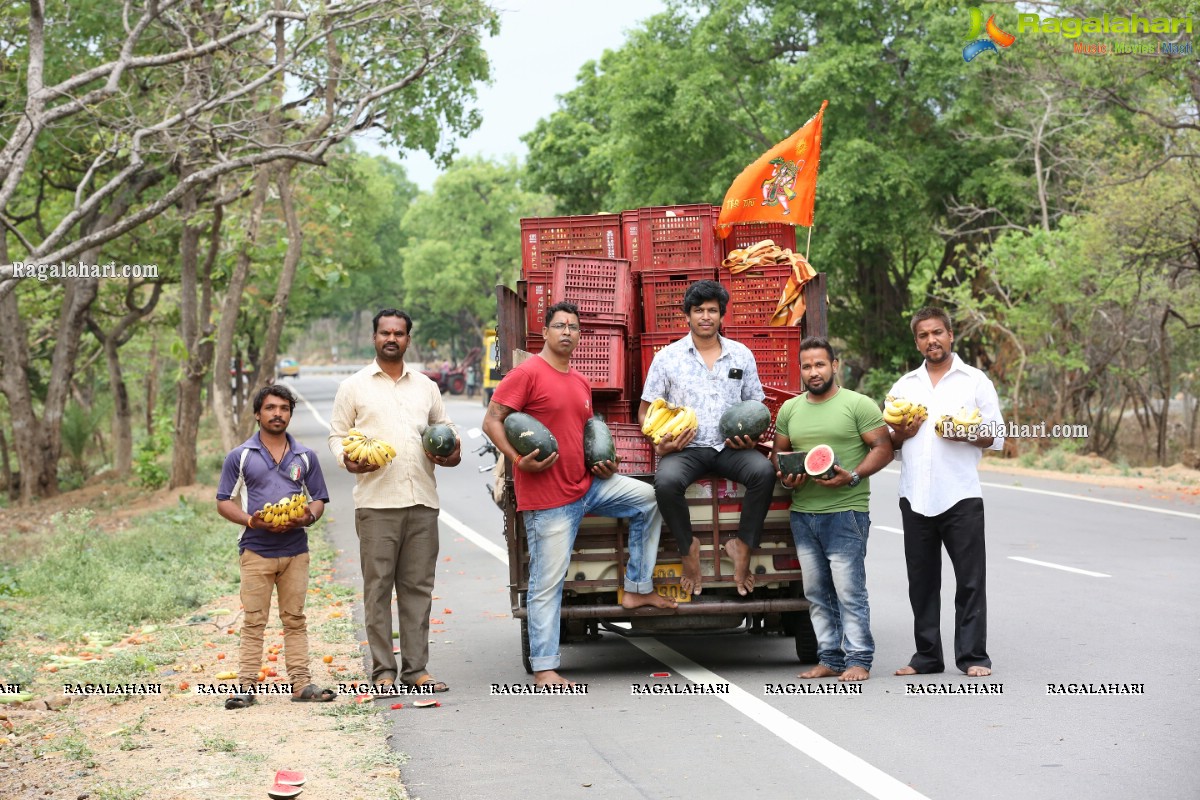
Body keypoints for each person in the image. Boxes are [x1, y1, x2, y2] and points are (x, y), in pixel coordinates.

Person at [483, 301, 677, 686]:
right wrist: (517, 460)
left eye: (573, 326)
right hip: (548, 499)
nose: (567, 332)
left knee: (649, 500)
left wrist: (603, 464)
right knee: (547, 584)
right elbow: (492, 421)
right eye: (560, 325)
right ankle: (545, 667)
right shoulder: (527, 374)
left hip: (588, 486)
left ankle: (637, 589)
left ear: (579, 335)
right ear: (546, 332)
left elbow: (587, 434)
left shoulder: (580, 381)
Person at [328, 309, 461, 694]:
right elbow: (338, 436)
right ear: (374, 338)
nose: (392, 338)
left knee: (418, 588)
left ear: (408, 339)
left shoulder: (426, 387)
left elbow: (446, 428)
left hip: (422, 500)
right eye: (385, 332)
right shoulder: (353, 387)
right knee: (378, 590)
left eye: (399, 333)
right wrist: (346, 459)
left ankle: (416, 670)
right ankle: (383, 671)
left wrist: (452, 452)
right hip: (376, 502)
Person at [639, 279, 776, 596]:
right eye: (698, 310)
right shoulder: (668, 358)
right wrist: (660, 441)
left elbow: (757, 405)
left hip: (731, 447)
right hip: (686, 448)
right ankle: (688, 550)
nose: (705, 316)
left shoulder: (741, 355)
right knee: (667, 482)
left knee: (764, 472)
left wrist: (751, 438)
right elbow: (645, 412)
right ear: (686, 315)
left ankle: (743, 545)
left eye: (712, 310)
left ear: (721, 316)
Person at [888, 307, 1004, 678]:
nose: (931, 340)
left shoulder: (974, 381)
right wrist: (901, 433)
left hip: (960, 495)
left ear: (951, 335)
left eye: (937, 333)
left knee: (970, 581)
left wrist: (964, 433)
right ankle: (927, 657)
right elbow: (889, 441)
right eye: (923, 335)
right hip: (915, 496)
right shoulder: (905, 385)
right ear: (917, 341)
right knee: (921, 583)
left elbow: (996, 435)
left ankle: (973, 656)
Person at [773, 338, 892, 682]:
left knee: (849, 591)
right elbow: (778, 454)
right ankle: (829, 657)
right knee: (816, 593)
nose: (814, 372)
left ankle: (858, 659)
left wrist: (853, 475)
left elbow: (883, 448)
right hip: (803, 513)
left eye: (820, 364)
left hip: (846, 511)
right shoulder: (790, 410)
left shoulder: (858, 404)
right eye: (807, 366)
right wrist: (786, 474)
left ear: (835, 365)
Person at [215, 385, 335, 708]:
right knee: (254, 619)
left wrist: (306, 517)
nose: (277, 413)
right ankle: (245, 687)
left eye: (283, 408)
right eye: (270, 408)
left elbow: (319, 499)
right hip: (256, 549)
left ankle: (300, 683)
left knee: (295, 618)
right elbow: (223, 502)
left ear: (290, 415)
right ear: (258, 414)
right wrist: (252, 520)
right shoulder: (240, 456)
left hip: (296, 550)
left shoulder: (305, 457)